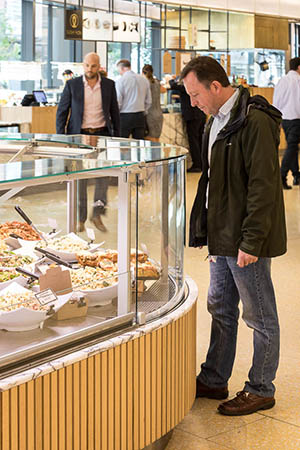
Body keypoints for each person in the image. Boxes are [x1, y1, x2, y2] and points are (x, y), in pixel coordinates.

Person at [181, 56, 286, 416]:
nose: (192, 103)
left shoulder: (254, 121)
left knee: (259, 315)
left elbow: (263, 187)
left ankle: (261, 388)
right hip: (221, 235)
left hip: (244, 238)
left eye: (195, 94)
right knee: (221, 308)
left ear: (215, 86)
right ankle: (213, 377)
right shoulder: (216, 121)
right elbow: (212, 183)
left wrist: (251, 242)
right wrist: (207, 234)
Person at [56, 52, 120, 232]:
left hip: (102, 137)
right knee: (80, 180)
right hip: (79, 138)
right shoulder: (72, 85)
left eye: (93, 66)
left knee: (102, 178)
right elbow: (62, 112)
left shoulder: (109, 85)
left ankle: (97, 214)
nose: (89, 69)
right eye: (86, 66)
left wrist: (117, 139)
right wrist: (62, 138)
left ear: (98, 66)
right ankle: (80, 218)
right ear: (83, 66)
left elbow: (115, 113)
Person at [273, 57, 300, 189]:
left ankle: (296, 175)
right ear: (299, 67)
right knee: (292, 147)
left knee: (292, 145)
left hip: (285, 119)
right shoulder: (298, 80)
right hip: (296, 117)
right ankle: (282, 175)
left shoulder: (282, 80)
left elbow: (276, 100)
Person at [169, 76, 206, 172]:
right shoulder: (197, 82)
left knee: (193, 140)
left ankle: (197, 164)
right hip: (201, 114)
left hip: (192, 116)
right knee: (200, 140)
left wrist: (175, 78)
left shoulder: (186, 85)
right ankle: (203, 163)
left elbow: (172, 84)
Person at [115, 59, 152, 139]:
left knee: (122, 144)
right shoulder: (144, 80)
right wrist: (143, 110)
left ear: (121, 68)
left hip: (125, 116)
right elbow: (149, 101)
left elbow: (118, 102)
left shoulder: (120, 81)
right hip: (140, 116)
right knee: (139, 144)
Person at [142, 64, 166, 142]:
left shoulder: (145, 83)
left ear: (142, 72)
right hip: (159, 114)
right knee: (157, 139)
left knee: (150, 140)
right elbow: (164, 90)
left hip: (149, 114)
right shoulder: (157, 82)